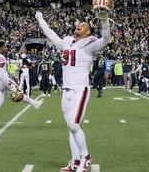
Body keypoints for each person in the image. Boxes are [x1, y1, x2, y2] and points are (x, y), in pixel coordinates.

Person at [36, 10, 110, 172]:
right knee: (71, 128)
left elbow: (106, 39)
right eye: (79, 24)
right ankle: (75, 161)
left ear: (89, 31)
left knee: (74, 125)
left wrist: (104, 21)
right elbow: (51, 34)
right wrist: (40, 19)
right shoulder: (68, 41)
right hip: (66, 89)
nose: (79, 26)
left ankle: (86, 157)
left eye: (83, 25)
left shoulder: (90, 44)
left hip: (80, 89)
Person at [0, 40, 44, 136]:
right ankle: (34, 103)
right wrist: (11, 84)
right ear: (0, 48)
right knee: (18, 92)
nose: (6, 48)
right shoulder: (0, 57)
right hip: (2, 80)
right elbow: (0, 73)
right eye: (4, 47)